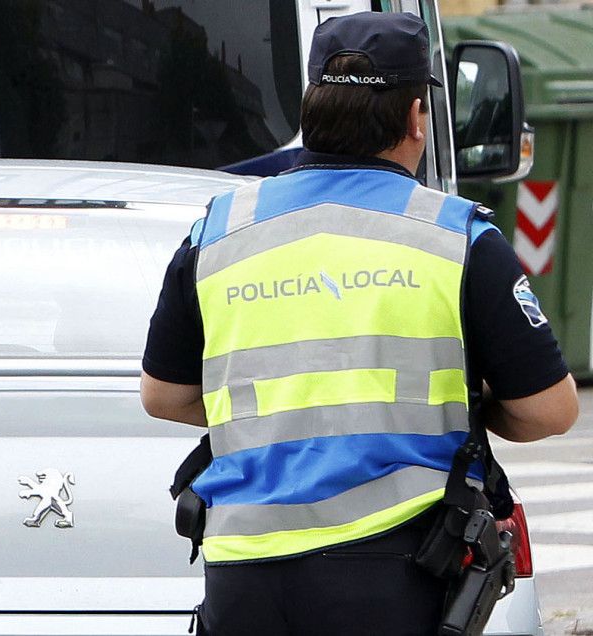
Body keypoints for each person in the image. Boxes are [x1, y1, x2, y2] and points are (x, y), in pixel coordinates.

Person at [140, 11, 579, 636]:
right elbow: (550, 411)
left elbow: (163, 395)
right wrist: (465, 409)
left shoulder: (222, 228)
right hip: (398, 576)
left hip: (245, 577)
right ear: (414, 117)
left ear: (313, 106)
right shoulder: (456, 237)